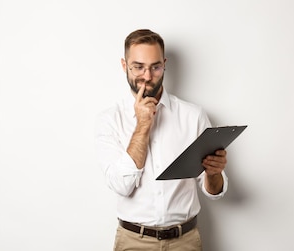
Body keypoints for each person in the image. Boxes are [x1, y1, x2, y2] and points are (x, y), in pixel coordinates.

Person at [95, 29, 229, 251]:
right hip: (133, 242)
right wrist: (142, 125)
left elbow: (213, 192)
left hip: (185, 241)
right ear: (124, 65)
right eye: (138, 66)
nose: (147, 76)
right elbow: (121, 185)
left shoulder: (192, 115)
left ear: (164, 64)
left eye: (155, 67)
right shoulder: (109, 120)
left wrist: (213, 173)